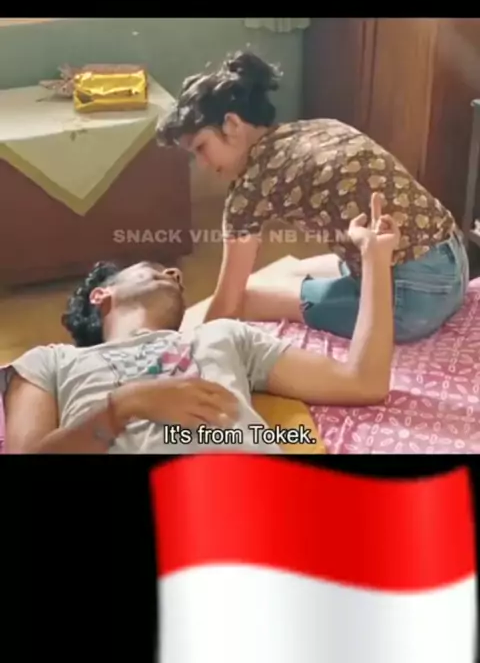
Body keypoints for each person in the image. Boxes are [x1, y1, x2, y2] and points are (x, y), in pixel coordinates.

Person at [1, 200, 398, 454]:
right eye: (154, 268)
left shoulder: (222, 334)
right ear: (102, 294)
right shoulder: (51, 363)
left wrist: (376, 260)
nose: (174, 273)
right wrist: (122, 407)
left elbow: (363, 382)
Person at [156, 50, 469, 343]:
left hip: (411, 304)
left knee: (250, 298)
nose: (202, 164)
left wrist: (187, 351)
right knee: (287, 273)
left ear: (232, 124)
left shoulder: (251, 187)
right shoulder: (320, 127)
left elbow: (228, 302)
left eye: (201, 147)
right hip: (455, 263)